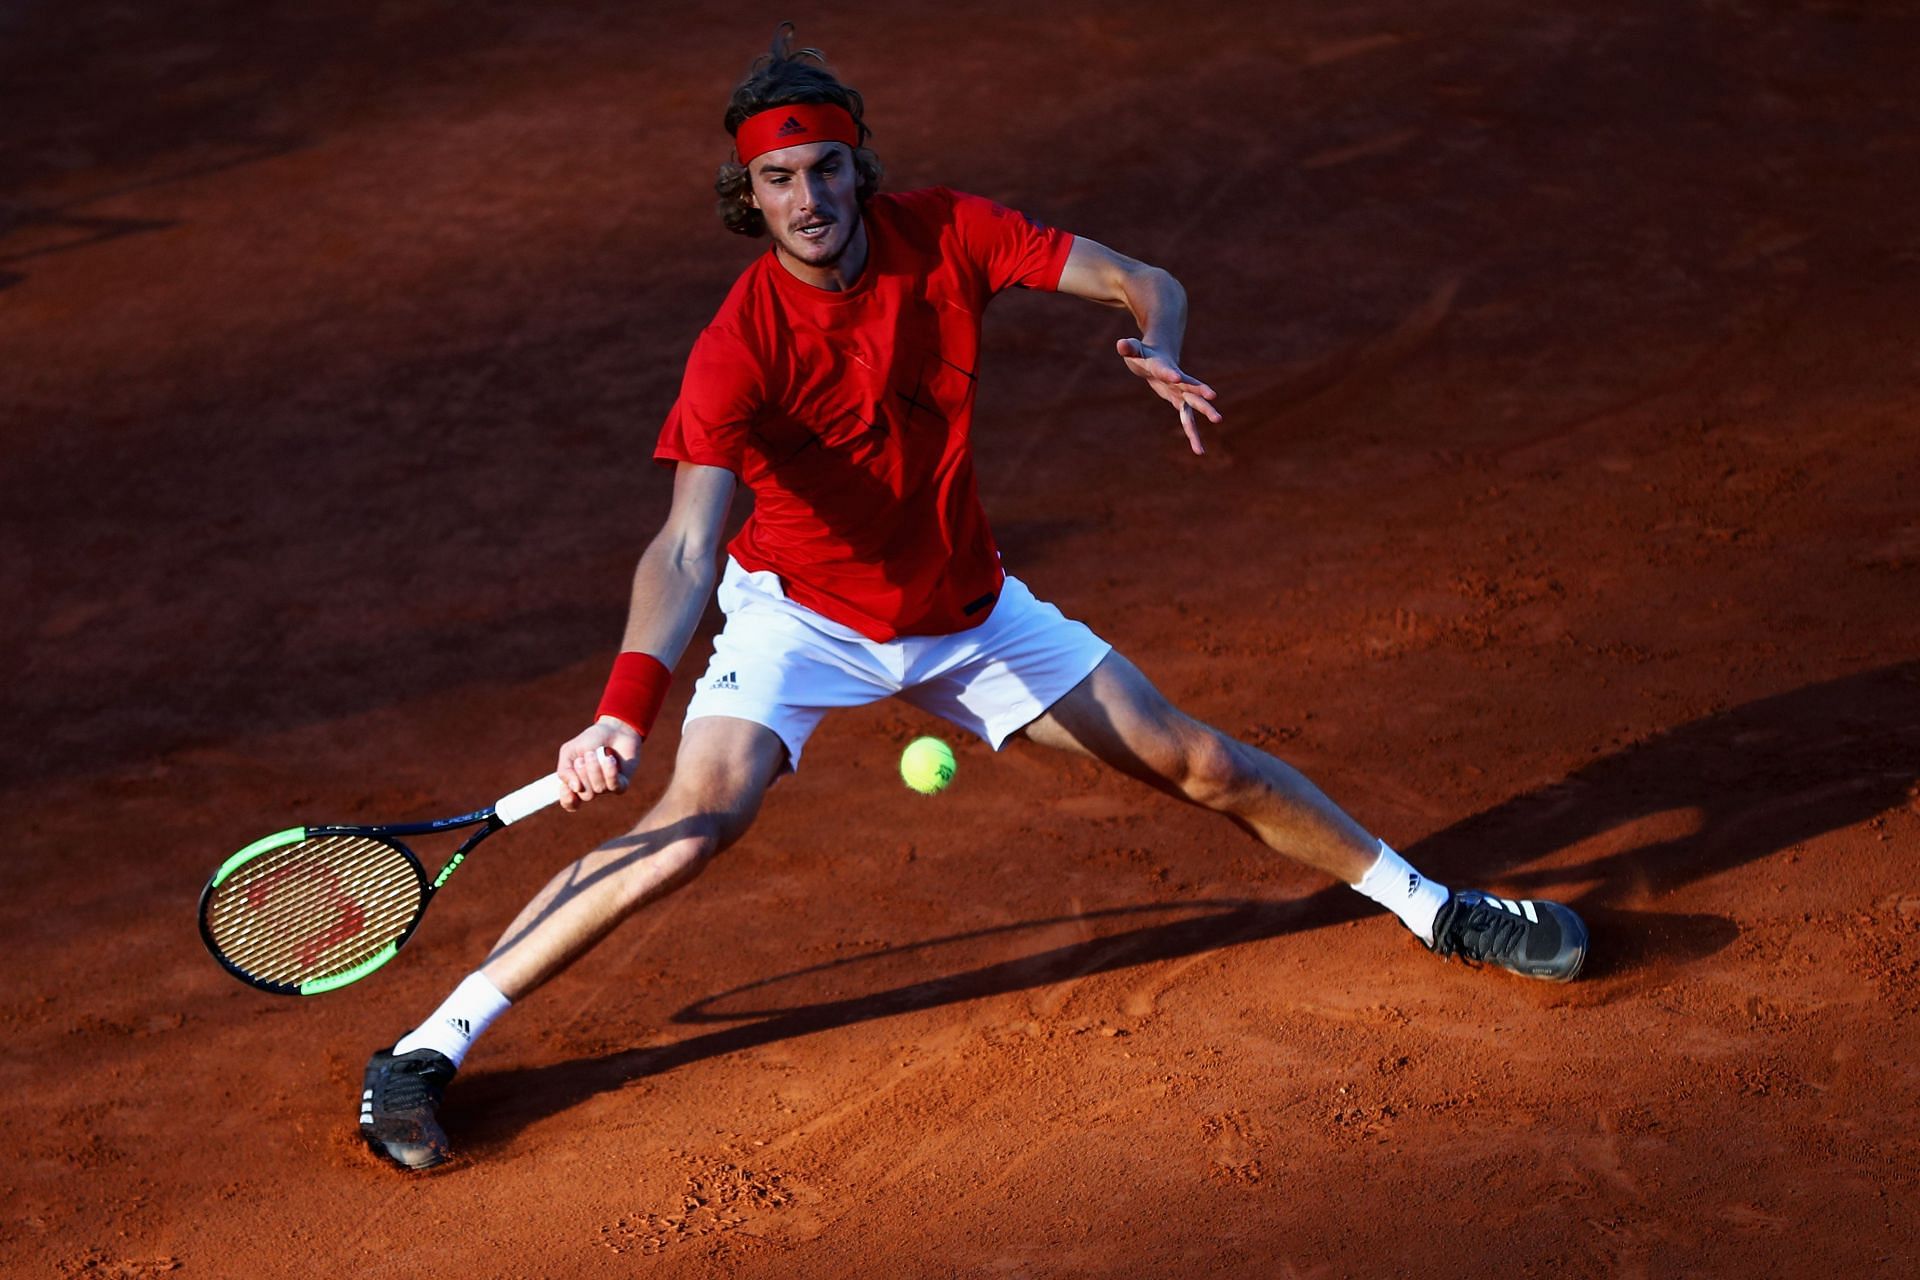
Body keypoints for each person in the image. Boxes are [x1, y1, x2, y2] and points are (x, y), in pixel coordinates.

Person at [358, 26, 1588, 1172]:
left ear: (859, 168)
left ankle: (1441, 912)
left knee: (1204, 762)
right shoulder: (738, 343)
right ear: (751, 196)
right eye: (779, 178)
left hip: (968, 613)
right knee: (691, 823)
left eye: (826, 169)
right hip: (800, 620)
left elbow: (1141, 276)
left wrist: (1156, 341)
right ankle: (422, 1051)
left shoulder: (948, 231)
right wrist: (623, 706)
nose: (807, 198)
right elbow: (685, 550)